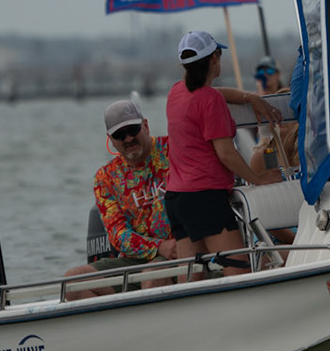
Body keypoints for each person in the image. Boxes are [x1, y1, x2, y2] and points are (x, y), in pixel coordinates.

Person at [166, 30, 284, 279]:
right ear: (214, 59)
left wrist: (250, 97)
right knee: (239, 271)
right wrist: (258, 179)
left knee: (192, 278)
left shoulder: (176, 92)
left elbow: (216, 93)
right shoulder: (209, 100)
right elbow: (226, 154)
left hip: (177, 198)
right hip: (205, 197)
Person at [61, 98, 183, 299]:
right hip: (135, 259)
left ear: (145, 126)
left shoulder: (175, 150)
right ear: (110, 139)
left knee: (153, 276)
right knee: (71, 282)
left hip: (179, 252)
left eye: (133, 130)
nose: (128, 139)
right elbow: (118, 234)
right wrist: (158, 246)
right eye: (120, 135)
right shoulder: (105, 177)